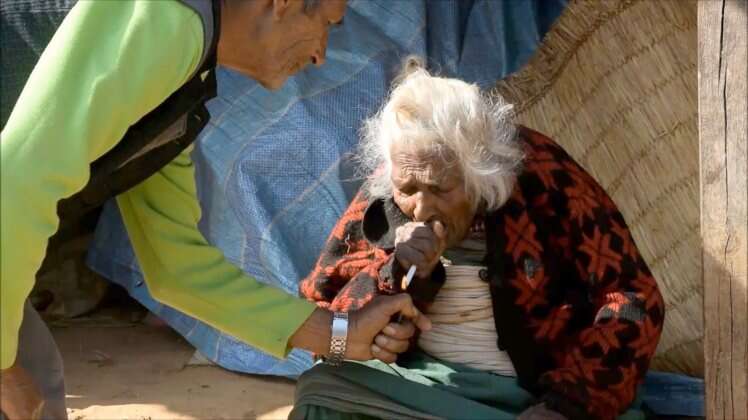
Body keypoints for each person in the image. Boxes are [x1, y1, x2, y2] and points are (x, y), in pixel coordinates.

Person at [0, 2, 431, 419]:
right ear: (282, 3)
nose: (320, 53)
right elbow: (19, 182)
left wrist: (340, 335)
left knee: (37, 378)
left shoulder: (178, 84)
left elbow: (176, 266)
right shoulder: (166, 16)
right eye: (326, 23)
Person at [293, 58, 665, 420]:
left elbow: (633, 298)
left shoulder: (544, 179)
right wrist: (401, 271)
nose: (421, 208)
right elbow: (325, 306)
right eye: (408, 189)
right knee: (323, 395)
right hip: (420, 384)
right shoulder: (391, 186)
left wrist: (567, 405)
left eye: (440, 189)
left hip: (534, 393)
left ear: (480, 175)